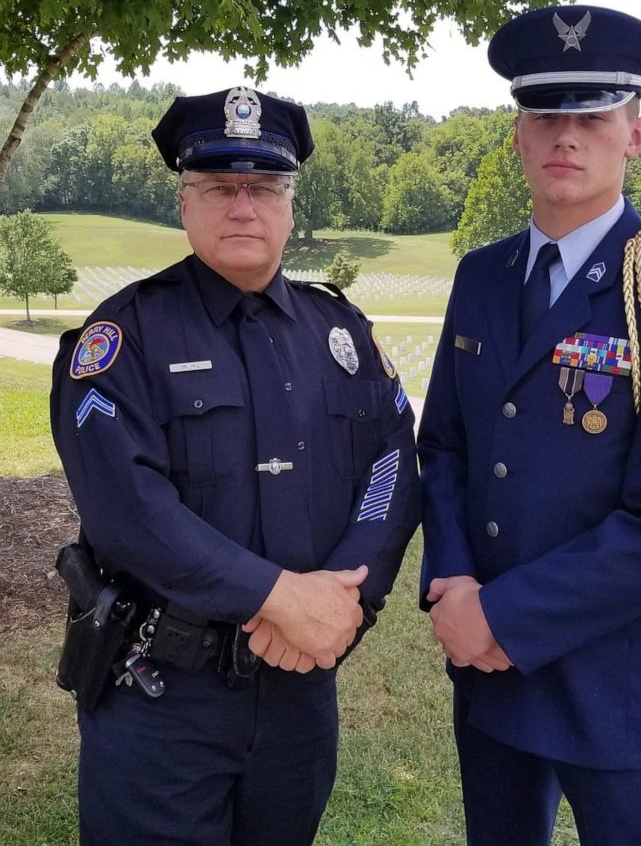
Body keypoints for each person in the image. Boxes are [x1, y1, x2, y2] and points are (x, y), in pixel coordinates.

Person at [50, 86, 420, 846]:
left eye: (264, 187)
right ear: (185, 203)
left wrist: (345, 600)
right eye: (220, 187)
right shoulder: (125, 335)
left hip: (300, 695)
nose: (243, 207)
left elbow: (391, 466)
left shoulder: (339, 333)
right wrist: (276, 596)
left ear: (291, 205)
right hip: (160, 697)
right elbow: (128, 511)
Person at [418, 5, 641, 846]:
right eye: (545, 115)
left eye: (593, 117)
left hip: (614, 684)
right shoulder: (482, 277)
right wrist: (453, 584)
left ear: (635, 133)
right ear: (520, 135)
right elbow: (447, 446)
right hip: (489, 670)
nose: (567, 136)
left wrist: (504, 616)